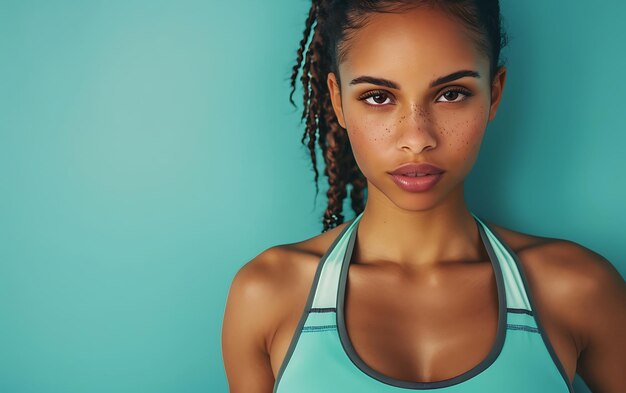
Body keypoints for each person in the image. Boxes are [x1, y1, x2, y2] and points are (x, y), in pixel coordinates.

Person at [222, 1, 626, 392]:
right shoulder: (267, 295)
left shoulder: (577, 290)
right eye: (378, 97)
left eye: (451, 93)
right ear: (338, 100)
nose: (417, 139)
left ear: (495, 93)